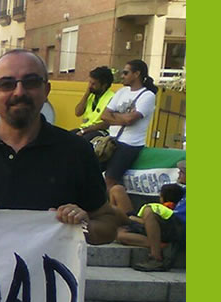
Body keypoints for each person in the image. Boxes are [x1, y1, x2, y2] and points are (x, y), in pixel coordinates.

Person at [0, 50, 123, 245]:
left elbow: (107, 226)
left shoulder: (77, 151)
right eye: (7, 84)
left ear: (46, 91)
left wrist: (82, 225)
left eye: (31, 82)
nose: (19, 92)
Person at [98, 59, 158, 190]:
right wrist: (123, 118)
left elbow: (130, 120)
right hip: (111, 141)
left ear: (137, 74)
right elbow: (104, 115)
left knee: (110, 180)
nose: (122, 76)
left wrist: (115, 116)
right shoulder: (121, 92)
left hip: (130, 144)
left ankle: (113, 202)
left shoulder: (147, 95)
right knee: (92, 173)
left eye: (126, 73)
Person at [116, 166, 185, 272]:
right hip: (168, 225)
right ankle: (158, 244)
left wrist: (139, 221)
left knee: (148, 210)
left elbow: (175, 216)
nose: (179, 173)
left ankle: (156, 258)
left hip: (179, 227)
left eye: (183, 172)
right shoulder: (183, 190)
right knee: (120, 235)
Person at [73, 66, 116, 137]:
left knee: (81, 141)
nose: (90, 86)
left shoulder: (112, 98)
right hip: (84, 128)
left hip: (100, 131)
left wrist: (85, 131)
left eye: (93, 84)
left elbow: (108, 123)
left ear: (104, 85)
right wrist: (86, 95)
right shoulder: (91, 95)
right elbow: (78, 113)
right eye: (89, 82)